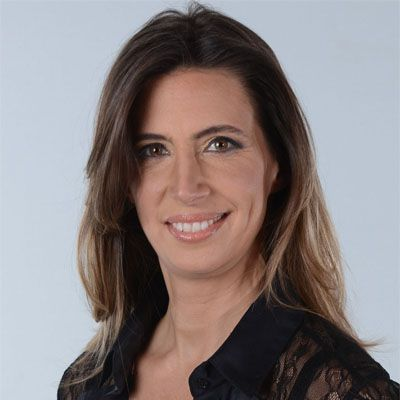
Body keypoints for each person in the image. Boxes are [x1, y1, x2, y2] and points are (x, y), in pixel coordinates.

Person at [57, 2, 399, 399]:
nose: (187, 187)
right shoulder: (86, 384)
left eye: (219, 144)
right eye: (154, 150)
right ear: (123, 180)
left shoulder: (342, 390)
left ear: (279, 165)